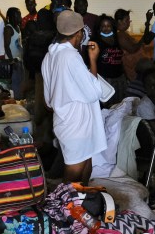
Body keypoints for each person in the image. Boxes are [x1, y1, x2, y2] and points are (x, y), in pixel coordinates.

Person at [41, 11, 108, 182]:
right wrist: (93, 59)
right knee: (73, 176)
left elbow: (48, 101)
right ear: (79, 33)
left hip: (67, 120)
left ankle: (80, 206)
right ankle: (65, 207)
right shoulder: (71, 56)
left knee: (85, 167)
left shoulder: (50, 56)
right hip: (76, 124)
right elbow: (95, 93)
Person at [92, 14, 127, 103]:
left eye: (108, 26)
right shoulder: (94, 42)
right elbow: (91, 61)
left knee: (119, 105)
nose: (106, 28)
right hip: (105, 80)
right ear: (99, 28)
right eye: (103, 26)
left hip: (119, 78)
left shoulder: (116, 39)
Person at [114, 8, 145, 82]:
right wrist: (142, 40)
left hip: (134, 67)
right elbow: (132, 49)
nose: (129, 23)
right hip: (131, 69)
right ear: (119, 21)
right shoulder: (120, 35)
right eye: (127, 20)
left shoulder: (123, 33)